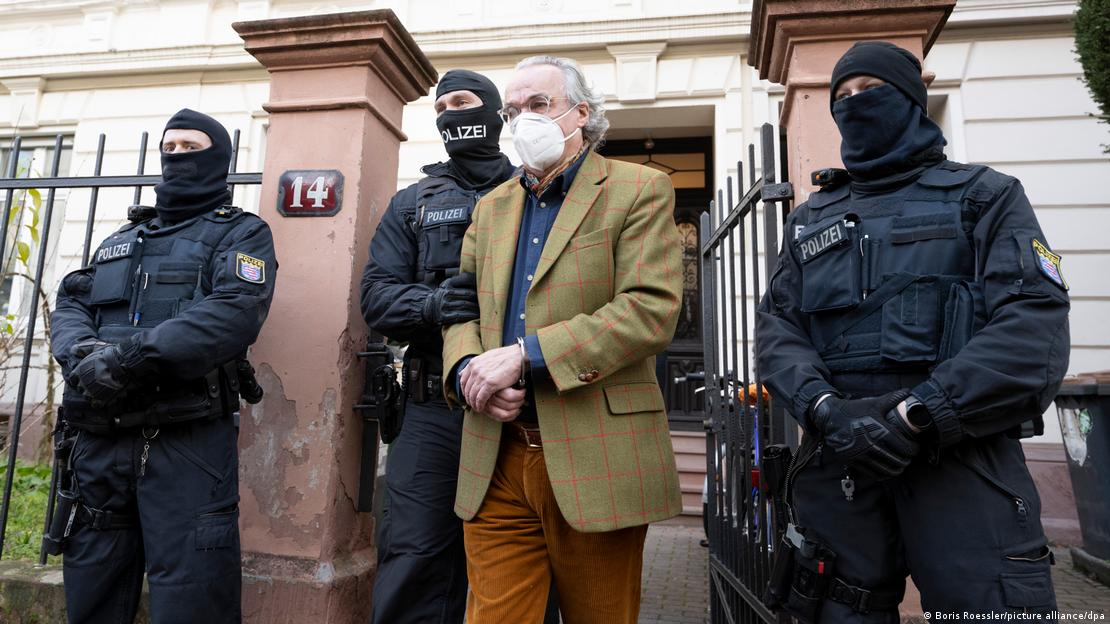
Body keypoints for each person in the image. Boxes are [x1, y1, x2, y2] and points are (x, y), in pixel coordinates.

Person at [756, 41, 1069, 623]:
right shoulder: (810, 218)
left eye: (871, 89)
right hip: (841, 462)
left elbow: (1033, 329)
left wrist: (917, 414)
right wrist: (826, 411)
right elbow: (778, 332)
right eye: (843, 95)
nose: (855, 102)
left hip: (961, 460)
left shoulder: (987, 196)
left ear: (910, 98)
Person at [442, 55, 684, 624]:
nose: (523, 119)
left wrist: (524, 356)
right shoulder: (491, 207)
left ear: (581, 113)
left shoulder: (639, 188)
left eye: (539, 104)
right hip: (497, 454)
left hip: (595, 450)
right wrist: (468, 369)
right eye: (513, 110)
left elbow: (650, 308)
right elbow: (461, 307)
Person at [50, 109, 277, 624]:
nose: (177, 157)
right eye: (169, 148)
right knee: (92, 591)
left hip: (184, 441)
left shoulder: (241, 233)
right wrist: (83, 355)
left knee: (193, 598)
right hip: (100, 439)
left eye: (190, 147)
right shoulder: (122, 239)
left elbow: (233, 312)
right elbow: (72, 303)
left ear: (218, 157)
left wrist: (126, 361)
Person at [359, 69, 519, 624]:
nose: (452, 113)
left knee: (515, 562)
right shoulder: (413, 203)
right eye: (442, 107)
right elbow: (376, 298)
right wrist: (432, 306)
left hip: (522, 408)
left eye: (464, 102)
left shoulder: (536, 190)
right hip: (433, 410)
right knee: (414, 556)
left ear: (495, 112)